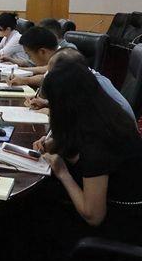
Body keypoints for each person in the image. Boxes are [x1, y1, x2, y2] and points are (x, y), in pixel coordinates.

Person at [36, 60, 142, 233]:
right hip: (116, 202)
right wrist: (59, 144)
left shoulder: (98, 141)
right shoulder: (105, 114)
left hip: (121, 223)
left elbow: (94, 217)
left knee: (33, 206)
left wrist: (63, 173)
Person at [26, 47, 135, 120]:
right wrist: (46, 103)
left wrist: (52, 112)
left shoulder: (93, 85)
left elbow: (85, 118)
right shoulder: (84, 78)